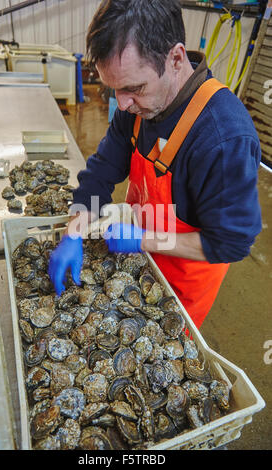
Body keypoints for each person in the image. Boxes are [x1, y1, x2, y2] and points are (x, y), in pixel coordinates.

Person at [48, 0, 262, 329]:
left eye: (134, 89)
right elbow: (100, 174)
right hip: (139, 262)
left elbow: (230, 243)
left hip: (182, 285)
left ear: (175, 58)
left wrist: (143, 240)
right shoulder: (135, 108)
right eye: (114, 90)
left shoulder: (223, 137)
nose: (122, 103)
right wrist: (74, 231)